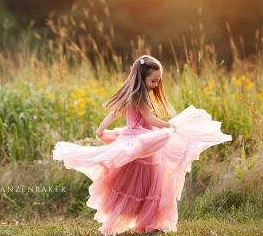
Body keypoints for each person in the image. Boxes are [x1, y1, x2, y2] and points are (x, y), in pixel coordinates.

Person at [52, 55, 232, 235]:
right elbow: (148, 118)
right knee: (145, 185)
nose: (156, 84)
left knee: (140, 184)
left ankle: (144, 220)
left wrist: (100, 128)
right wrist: (168, 125)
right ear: (142, 77)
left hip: (137, 140)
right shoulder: (140, 96)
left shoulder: (133, 94)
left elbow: (115, 114)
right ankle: (145, 220)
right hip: (141, 141)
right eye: (153, 80)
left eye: (158, 80)